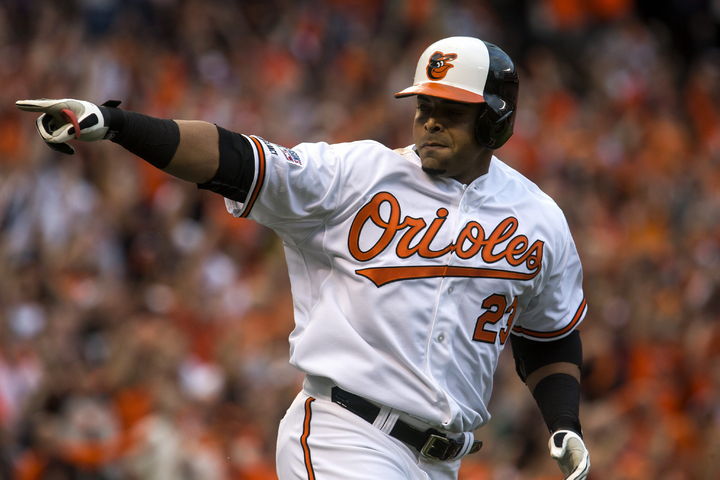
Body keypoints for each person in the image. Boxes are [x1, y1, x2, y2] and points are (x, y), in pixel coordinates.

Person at [17, 36, 590, 480]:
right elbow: (237, 158)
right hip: (348, 433)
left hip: (441, 463)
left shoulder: (538, 219)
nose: (430, 120)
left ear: (495, 119)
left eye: (452, 109)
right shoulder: (358, 174)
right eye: (424, 106)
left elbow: (549, 335)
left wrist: (564, 424)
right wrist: (117, 124)